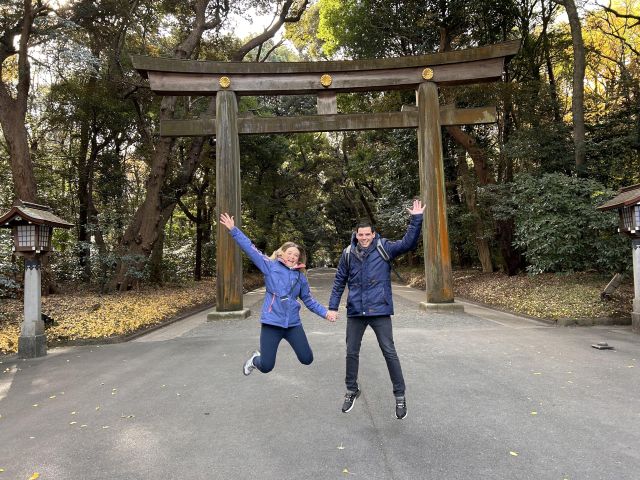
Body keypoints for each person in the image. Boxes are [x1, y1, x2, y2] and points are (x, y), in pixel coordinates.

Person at [328, 199, 424, 419]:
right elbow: (339, 281)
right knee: (351, 351)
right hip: (355, 311)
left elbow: (408, 243)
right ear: (356, 235)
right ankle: (351, 390)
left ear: (373, 234)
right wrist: (333, 307)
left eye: (367, 235)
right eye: (360, 235)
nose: (363, 238)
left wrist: (416, 219)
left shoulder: (384, 248)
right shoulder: (347, 254)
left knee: (389, 351)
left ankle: (400, 395)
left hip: (379, 310)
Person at [219, 212, 337, 376]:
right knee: (266, 366)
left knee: (307, 358)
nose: (292, 257)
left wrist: (326, 313)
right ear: (282, 253)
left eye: (296, 255)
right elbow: (251, 249)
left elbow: (309, 301)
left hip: (293, 324)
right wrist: (233, 230)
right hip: (272, 323)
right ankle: (254, 360)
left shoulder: (300, 277)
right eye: (290, 253)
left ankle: (266, 356)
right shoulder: (270, 266)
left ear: (299, 259)